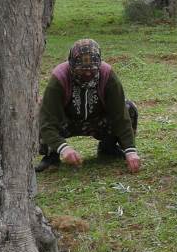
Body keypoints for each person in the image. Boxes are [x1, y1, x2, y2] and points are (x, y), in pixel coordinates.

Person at [36, 39, 141, 173]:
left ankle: (108, 147)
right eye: (82, 70)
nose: (87, 74)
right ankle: (51, 156)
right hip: (66, 122)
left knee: (129, 108)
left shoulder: (108, 75)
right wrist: (64, 148)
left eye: (92, 71)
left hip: (98, 121)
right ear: (72, 65)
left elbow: (121, 116)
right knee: (41, 108)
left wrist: (130, 150)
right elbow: (47, 121)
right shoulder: (59, 77)